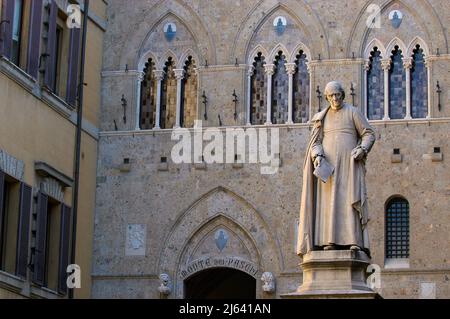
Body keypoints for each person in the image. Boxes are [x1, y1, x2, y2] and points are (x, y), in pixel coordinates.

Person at [297, 81, 376, 257]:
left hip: (349, 165)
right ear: (326, 97)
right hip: (328, 169)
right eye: (331, 95)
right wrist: (317, 156)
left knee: (349, 200)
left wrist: (362, 149)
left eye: (337, 94)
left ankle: (354, 241)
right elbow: (315, 142)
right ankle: (328, 241)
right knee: (328, 204)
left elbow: (369, 134)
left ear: (343, 95)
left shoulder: (353, 112)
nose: (335, 98)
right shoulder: (322, 118)